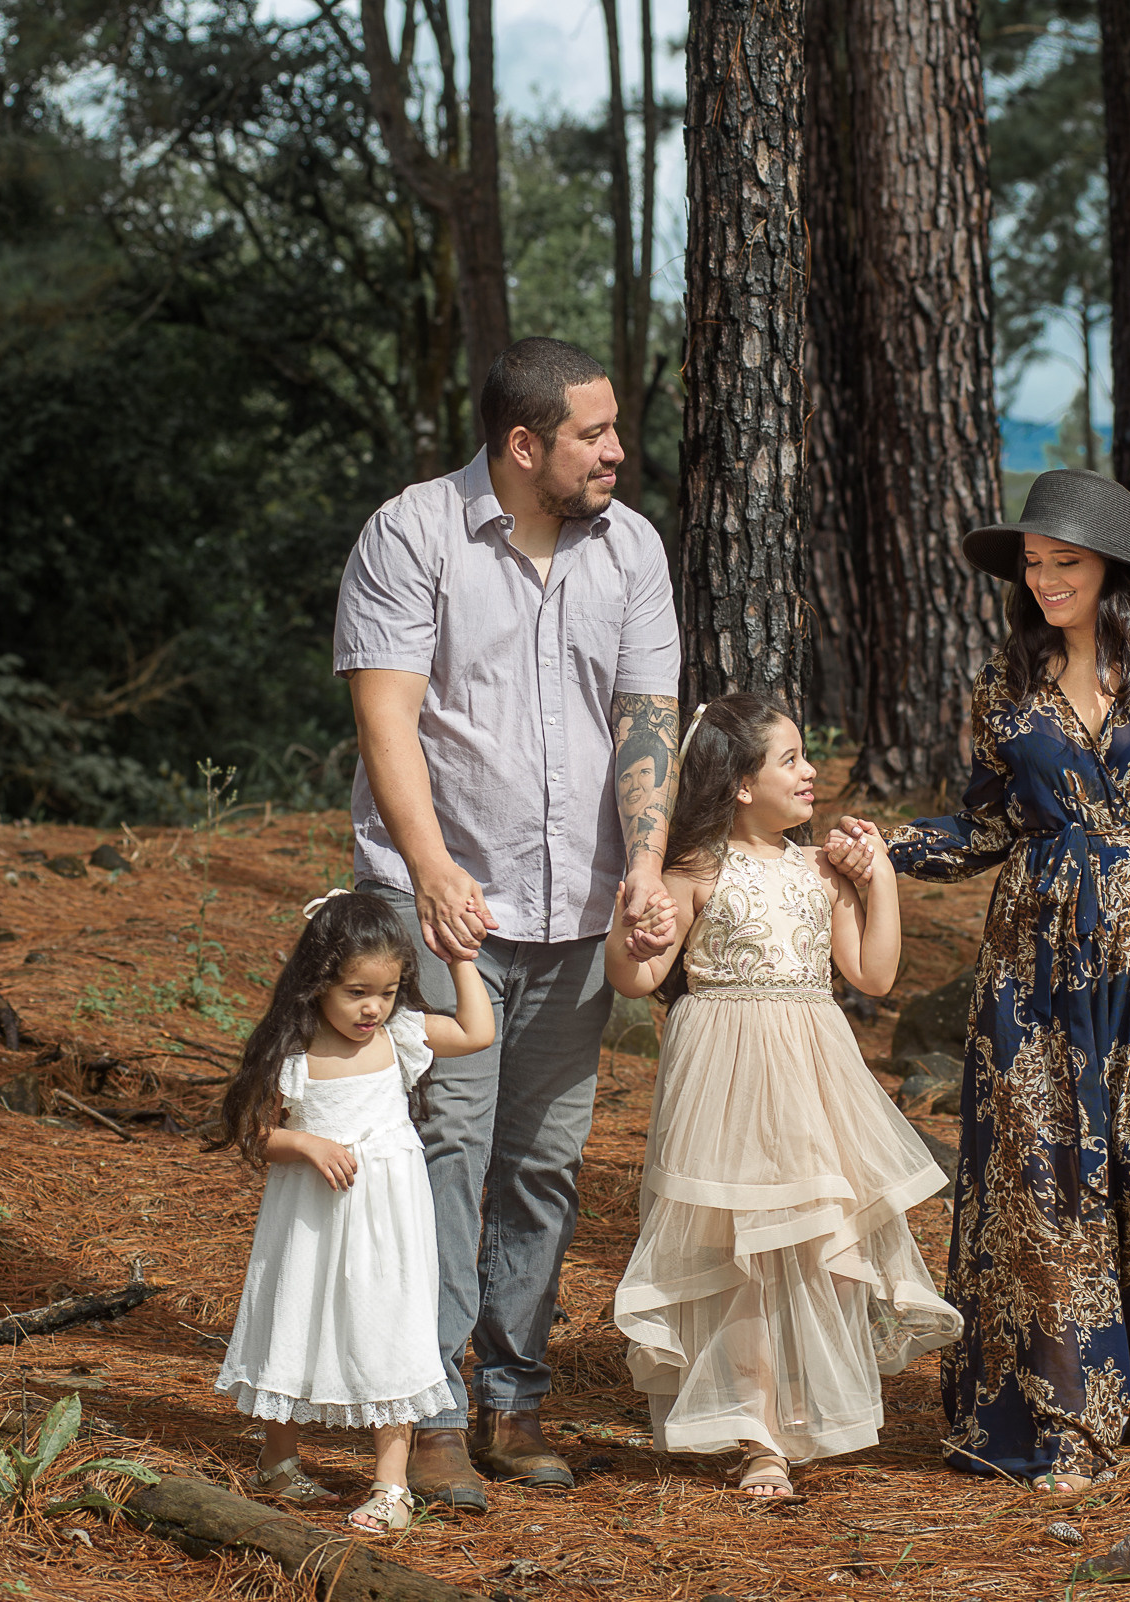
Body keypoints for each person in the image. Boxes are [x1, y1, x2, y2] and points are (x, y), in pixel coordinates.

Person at [846, 468, 1130, 1491]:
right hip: (1033, 961)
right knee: (1043, 1184)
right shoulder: (1003, 686)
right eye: (1036, 566)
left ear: (1112, 573)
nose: (1046, 581)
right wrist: (887, 847)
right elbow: (988, 823)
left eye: (1067, 565)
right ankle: (1059, 1422)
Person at [334, 337, 683, 1512]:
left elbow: (646, 717)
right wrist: (429, 873)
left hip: (579, 911)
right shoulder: (413, 533)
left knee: (542, 1162)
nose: (618, 452)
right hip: (446, 913)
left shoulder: (630, 546)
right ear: (525, 444)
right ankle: (429, 1403)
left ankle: (513, 1395)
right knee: (446, 1152)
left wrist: (644, 866)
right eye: (595, 434)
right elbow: (387, 724)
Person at [605, 695, 961, 1503]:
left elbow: (872, 976)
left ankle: (803, 1414)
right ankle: (756, 1433)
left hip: (812, 1072)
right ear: (738, 784)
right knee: (744, 1258)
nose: (811, 774)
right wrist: (633, 934)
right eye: (791, 760)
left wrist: (884, 883)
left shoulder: (817, 871)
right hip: (724, 1076)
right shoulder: (691, 872)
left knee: (816, 1246)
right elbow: (636, 980)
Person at [205, 890, 497, 1535]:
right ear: (317, 985)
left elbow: (479, 1031)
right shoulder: (294, 1050)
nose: (373, 1008)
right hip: (312, 1215)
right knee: (297, 1317)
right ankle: (277, 1460)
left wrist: (461, 959)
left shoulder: (400, 1035)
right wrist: (306, 1143)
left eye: (388, 991)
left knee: (389, 1328)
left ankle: (391, 1487)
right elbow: (256, 1135)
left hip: (389, 1219)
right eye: (357, 992)